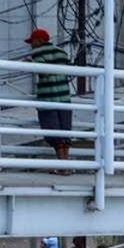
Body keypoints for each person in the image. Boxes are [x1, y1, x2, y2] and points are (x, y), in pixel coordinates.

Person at [24, 28, 74, 174]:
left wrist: (30, 64)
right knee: (65, 132)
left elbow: (44, 71)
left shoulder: (38, 52)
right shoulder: (61, 52)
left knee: (53, 133)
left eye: (32, 42)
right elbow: (69, 71)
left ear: (38, 41)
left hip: (48, 97)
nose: (31, 45)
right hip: (64, 97)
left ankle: (62, 166)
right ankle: (66, 166)